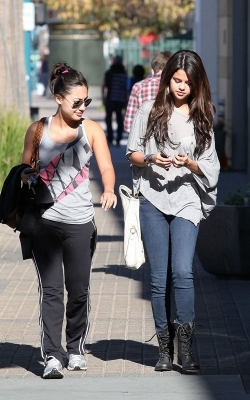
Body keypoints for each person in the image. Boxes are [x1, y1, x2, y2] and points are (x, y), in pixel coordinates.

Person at [21, 61, 117, 379]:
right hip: (45, 223)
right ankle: (52, 355)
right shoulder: (38, 130)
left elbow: (105, 166)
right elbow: (24, 170)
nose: (82, 108)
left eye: (86, 101)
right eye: (77, 102)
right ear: (59, 98)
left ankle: (75, 348)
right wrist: (29, 178)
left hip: (80, 223)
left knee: (79, 291)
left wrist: (110, 188)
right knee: (51, 291)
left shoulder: (91, 130)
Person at [126, 50, 220, 373]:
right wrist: (153, 159)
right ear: (167, 79)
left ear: (196, 85)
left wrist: (188, 163)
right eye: (176, 80)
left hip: (186, 201)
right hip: (153, 199)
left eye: (187, 82)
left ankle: (187, 351)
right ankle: (164, 351)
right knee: (158, 279)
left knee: (182, 271)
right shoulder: (148, 111)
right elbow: (133, 153)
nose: (181, 87)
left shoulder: (202, 118)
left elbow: (210, 167)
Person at [124, 51, 171, 133]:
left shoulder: (138, 86)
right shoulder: (173, 86)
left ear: (152, 71)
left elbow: (128, 125)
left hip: (144, 137)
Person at [102, 55, 127, 146]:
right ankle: (118, 138)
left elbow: (104, 86)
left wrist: (103, 97)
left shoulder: (109, 72)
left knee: (109, 119)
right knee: (119, 119)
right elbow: (125, 89)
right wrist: (125, 100)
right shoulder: (124, 73)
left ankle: (111, 138)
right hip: (120, 99)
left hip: (110, 99)